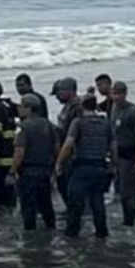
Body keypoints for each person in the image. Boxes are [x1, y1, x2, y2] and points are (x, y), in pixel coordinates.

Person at [56, 95, 115, 239]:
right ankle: (102, 233)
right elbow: (114, 147)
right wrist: (114, 166)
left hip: (82, 166)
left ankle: (72, 233)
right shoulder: (106, 123)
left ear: (82, 106)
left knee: (75, 201)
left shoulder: (78, 123)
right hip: (101, 167)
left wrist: (59, 163)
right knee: (97, 201)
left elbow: (68, 145)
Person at [12, 94, 58, 230]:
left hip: (28, 173)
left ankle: (30, 237)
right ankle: (51, 229)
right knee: (46, 205)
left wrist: (12, 170)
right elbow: (56, 146)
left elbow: (19, 151)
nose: (18, 109)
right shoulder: (47, 124)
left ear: (29, 108)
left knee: (28, 207)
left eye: (21, 106)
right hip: (45, 171)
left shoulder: (23, 126)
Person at [108, 81, 135, 226]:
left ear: (125, 94)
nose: (116, 97)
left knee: (127, 192)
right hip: (117, 156)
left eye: (118, 94)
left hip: (129, 156)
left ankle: (129, 222)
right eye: (113, 93)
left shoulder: (132, 111)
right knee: (122, 189)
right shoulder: (113, 108)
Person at [50, 77, 81, 208]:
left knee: (70, 187)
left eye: (59, 93)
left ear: (68, 91)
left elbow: (75, 134)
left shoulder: (77, 108)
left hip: (73, 154)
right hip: (66, 151)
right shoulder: (67, 107)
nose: (57, 97)